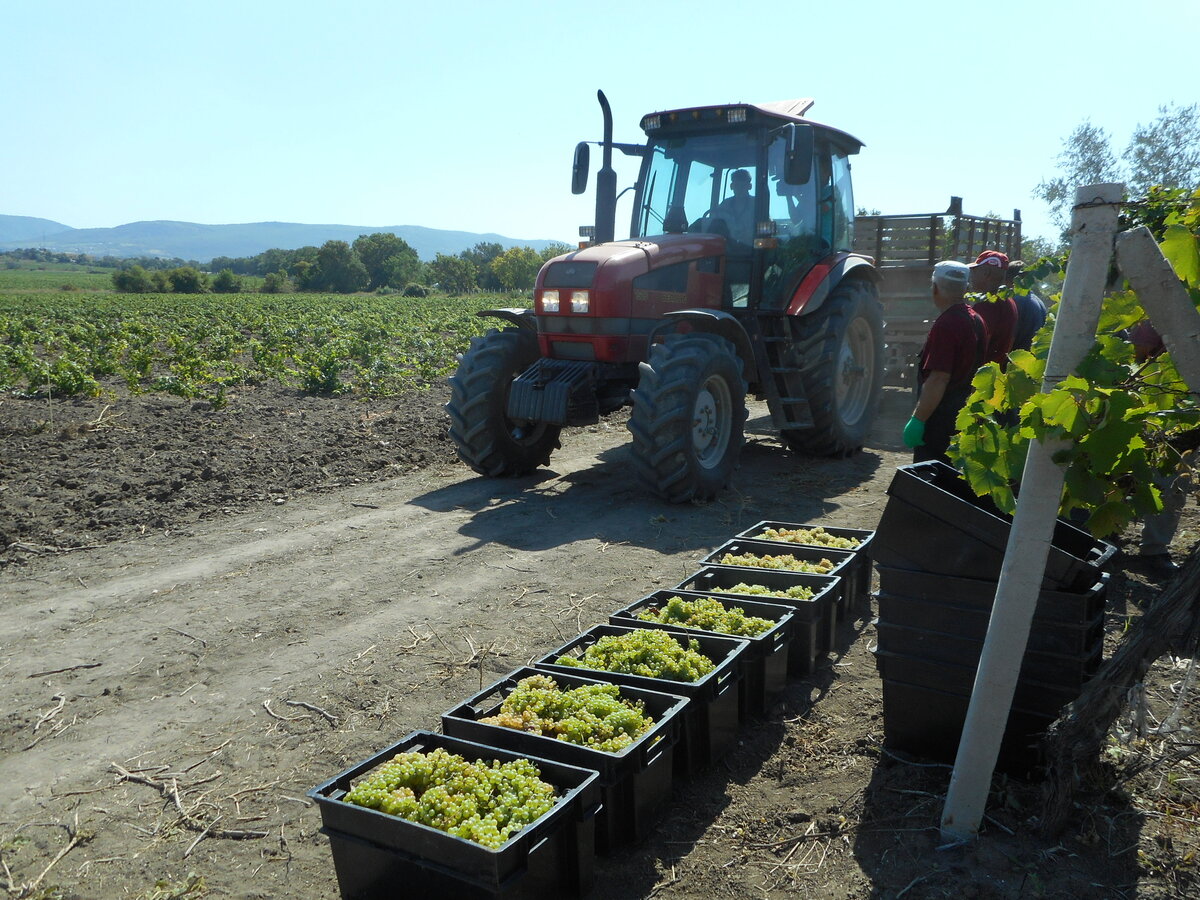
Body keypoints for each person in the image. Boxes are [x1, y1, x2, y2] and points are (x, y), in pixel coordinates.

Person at [903, 260, 990, 465]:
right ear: (966, 288)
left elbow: (939, 378)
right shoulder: (977, 320)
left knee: (930, 483)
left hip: (940, 421)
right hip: (964, 416)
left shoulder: (946, 324)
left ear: (934, 288)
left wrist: (919, 420)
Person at [968, 250, 1018, 369]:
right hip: (995, 370)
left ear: (985, 273)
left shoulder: (988, 304)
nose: (972, 276)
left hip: (980, 373)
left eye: (975, 271)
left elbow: (978, 345)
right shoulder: (1009, 301)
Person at [711, 169, 755, 247]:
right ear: (731, 186)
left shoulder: (757, 203)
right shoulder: (724, 204)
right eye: (737, 185)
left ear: (749, 186)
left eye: (743, 185)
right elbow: (714, 224)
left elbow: (765, 227)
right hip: (727, 248)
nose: (740, 189)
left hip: (752, 248)